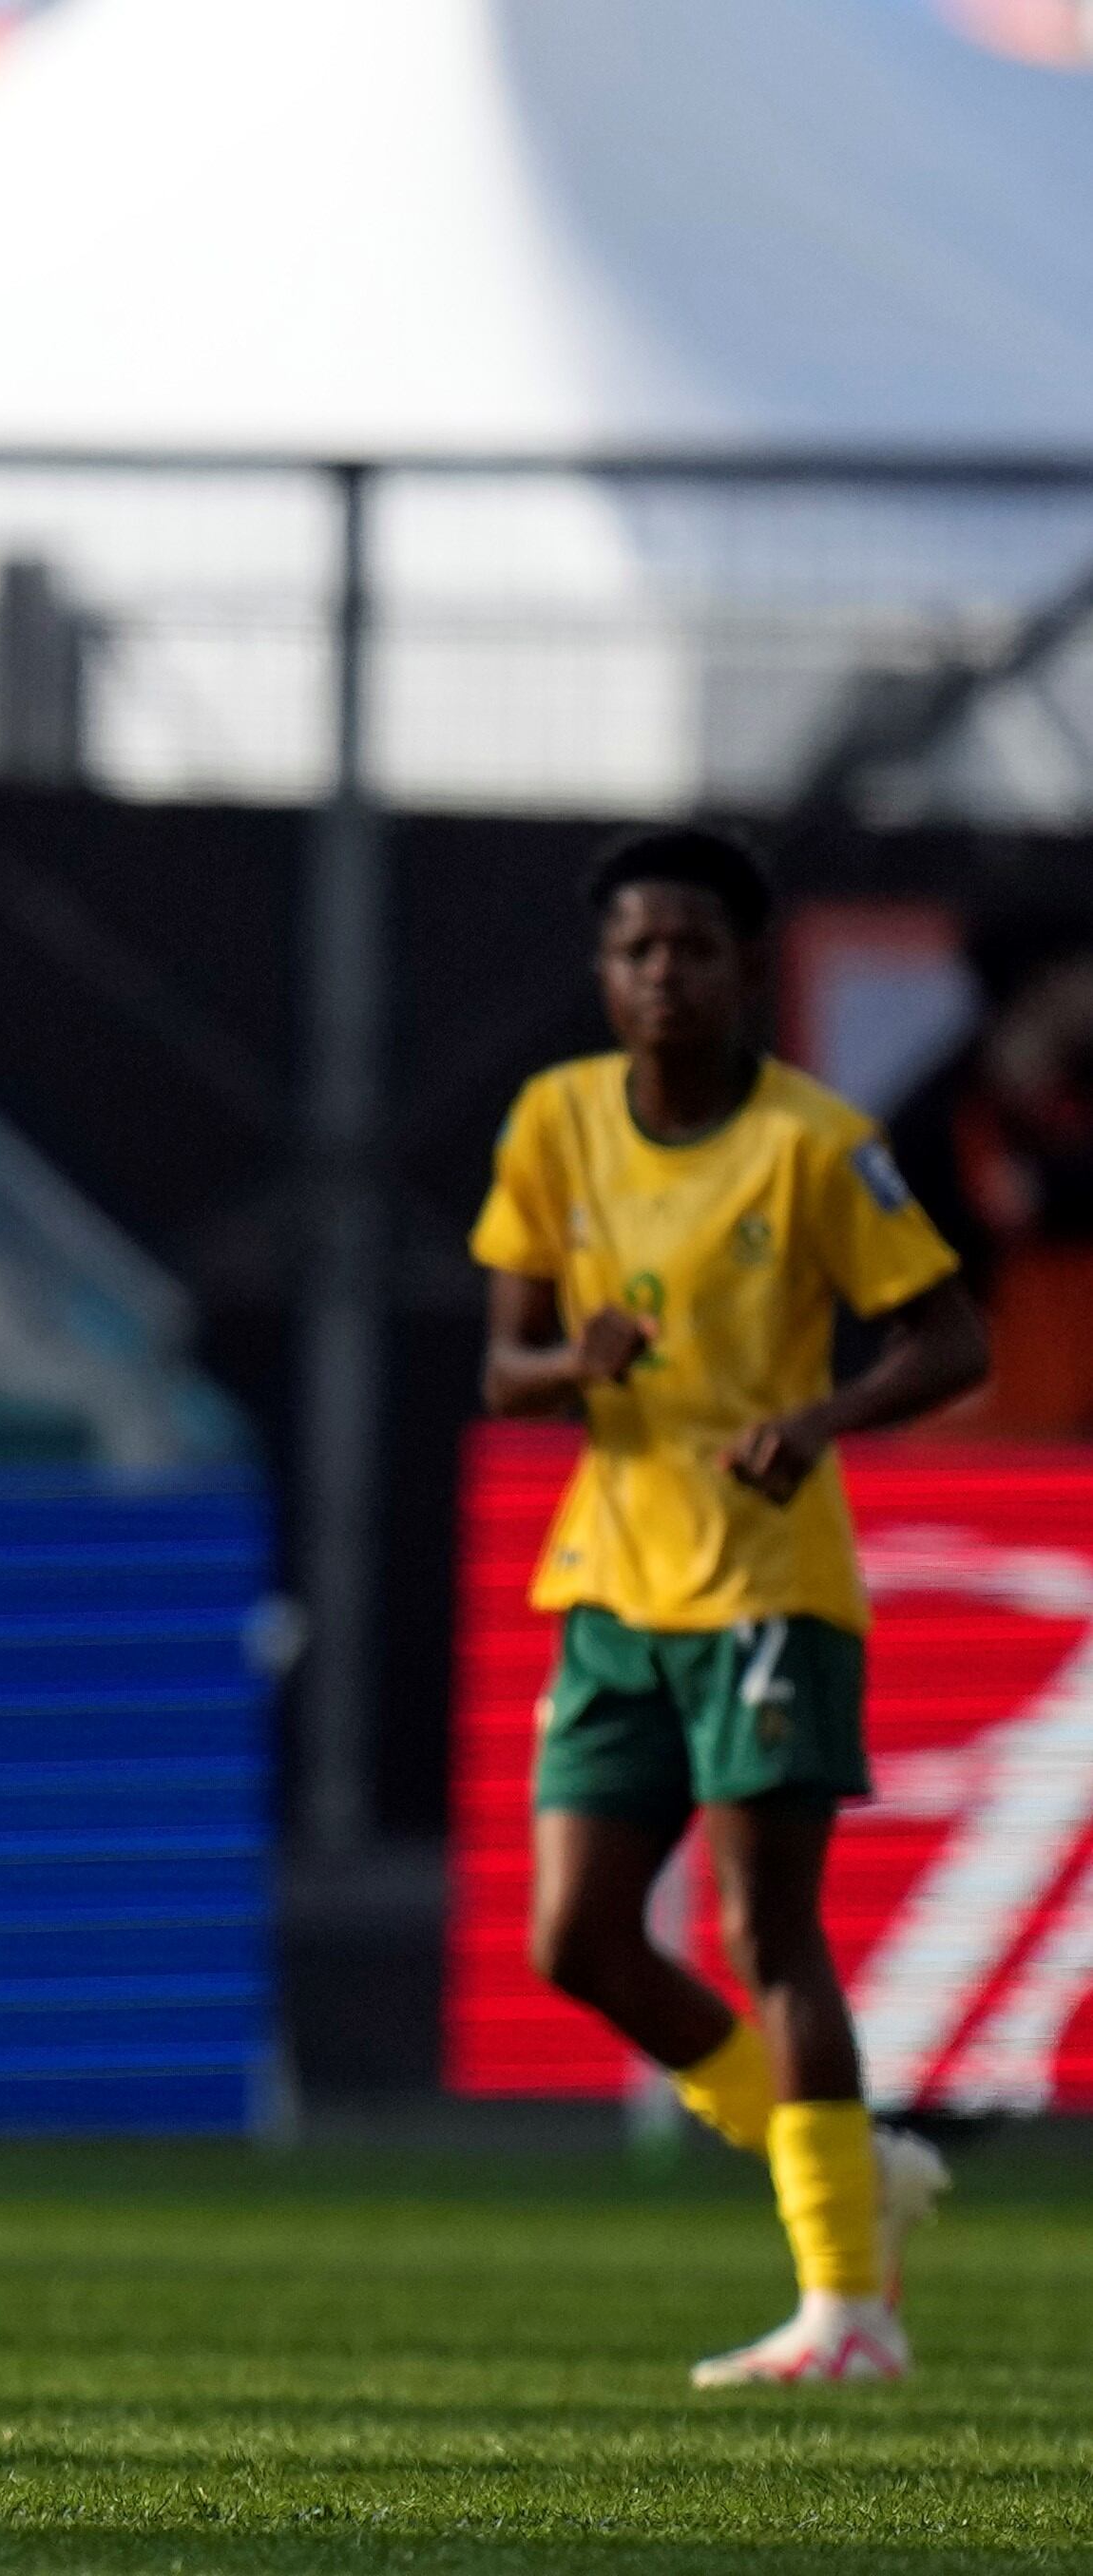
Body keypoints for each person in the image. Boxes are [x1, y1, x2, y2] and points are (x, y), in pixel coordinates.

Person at [474, 825, 988, 2388]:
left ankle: (850, 2313)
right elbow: (502, 1366)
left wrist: (816, 1423)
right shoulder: (555, 1123)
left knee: (769, 1930)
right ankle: (849, 2164)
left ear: (745, 966)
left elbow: (949, 1339)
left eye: (693, 947)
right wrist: (579, 1365)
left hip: (768, 1586)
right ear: (603, 971)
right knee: (571, 1937)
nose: (662, 974)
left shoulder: (813, 1147)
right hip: (612, 1581)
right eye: (636, 949)